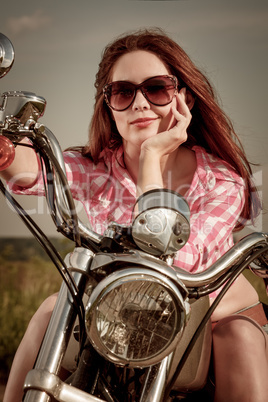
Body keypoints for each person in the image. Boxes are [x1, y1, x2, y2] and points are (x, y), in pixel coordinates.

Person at [1, 28, 267, 402]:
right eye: (124, 92)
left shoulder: (221, 181)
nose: (140, 103)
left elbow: (174, 259)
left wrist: (152, 157)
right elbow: (33, 171)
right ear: (109, 105)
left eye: (156, 88)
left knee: (240, 338)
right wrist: (9, 152)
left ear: (184, 98)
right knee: (49, 311)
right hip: (115, 310)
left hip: (203, 312)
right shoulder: (98, 168)